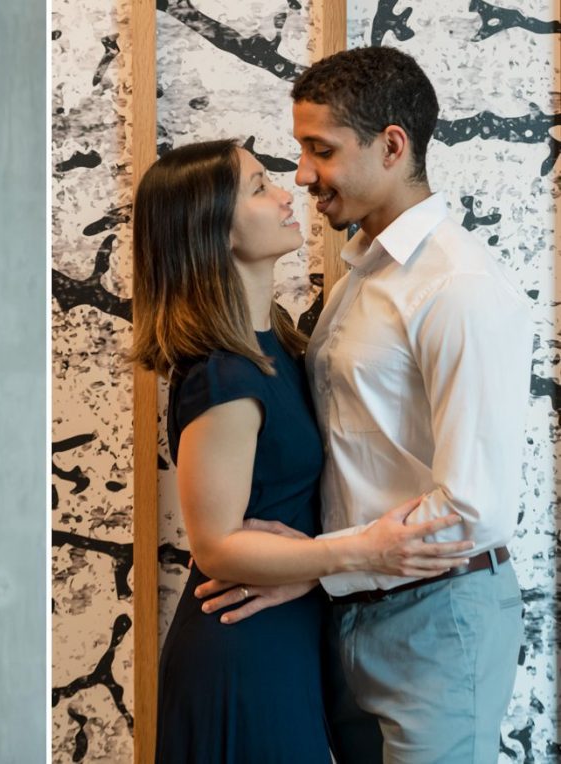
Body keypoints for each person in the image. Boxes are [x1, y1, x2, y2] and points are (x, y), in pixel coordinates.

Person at [198, 46, 529, 762]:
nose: (302, 175)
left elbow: (475, 507)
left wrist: (322, 565)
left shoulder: (459, 287)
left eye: (321, 150)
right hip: (347, 617)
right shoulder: (359, 278)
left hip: (440, 619)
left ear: (392, 146)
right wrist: (325, 573)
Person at [129, 139, 473, 763]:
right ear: (215, 228)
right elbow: (215, 546)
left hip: (289, 635)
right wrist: (363, 551)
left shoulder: (281, 346)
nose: (287, 193)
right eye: (259, 187)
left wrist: (316, 568)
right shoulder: (223, 374)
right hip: (244, 653)